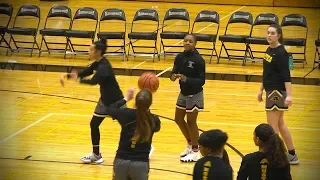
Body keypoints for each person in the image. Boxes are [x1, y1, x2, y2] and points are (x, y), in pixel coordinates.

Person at [60, 39, 124, 164]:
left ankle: (145, 147)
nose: (88, 52)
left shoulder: (104, 67)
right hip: (104, 100)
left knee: (128, 126)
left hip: (116, 101)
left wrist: (77, 80)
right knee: (94, 124)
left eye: (91, 50)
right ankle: (96, 155)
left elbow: (93, 81)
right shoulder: (98, 63)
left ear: (98, 52)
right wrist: (67, 75)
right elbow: (86, 72)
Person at [257, 23, 298, 165]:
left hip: (276, 92)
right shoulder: (269, 50)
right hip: (270, 90)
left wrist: (290, 95)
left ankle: (276, 157)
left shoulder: (281, 53)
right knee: (280, 124)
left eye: (272, 33)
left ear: (279, 35)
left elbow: (286, 76)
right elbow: (266, 72)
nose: (269, 35)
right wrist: (261, 89)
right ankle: (292, 154)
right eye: (268, 32)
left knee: (272, 127)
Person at [104, 88, 161, 180]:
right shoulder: (154, 120)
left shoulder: (126, 114)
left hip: (121, 161)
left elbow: (109, 109)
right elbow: (156, 128)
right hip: (140, 164)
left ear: (136, 102)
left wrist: (126, 98)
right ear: (150, 103)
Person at [170, 34, 206, 162]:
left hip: (195, 93)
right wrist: (173, 76)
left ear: (195, 44)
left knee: (191, 121)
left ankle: (196, 151)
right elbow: (173, 71)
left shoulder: (199, 60)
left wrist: (187, 79)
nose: (187, 43)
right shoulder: (179, 57)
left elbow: (201, 80)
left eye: (190, 41)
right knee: (178, 119)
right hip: (183, 92)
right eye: (185, 41)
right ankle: (190, 144)